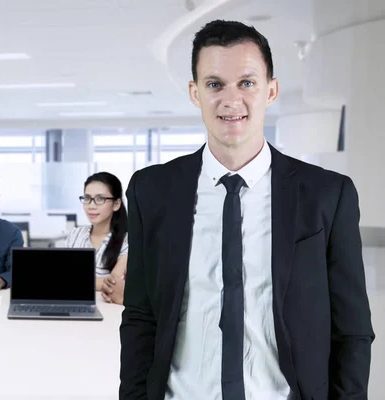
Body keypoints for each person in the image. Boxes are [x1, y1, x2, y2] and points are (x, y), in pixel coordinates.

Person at [119, 20, 374, 400]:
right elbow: (140, 316)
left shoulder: (327, 194)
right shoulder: (151, 190)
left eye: (247, 83)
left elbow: (352, 329)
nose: (231, 99)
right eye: (214, 84)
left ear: (271, 90)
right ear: (195, 92)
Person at [65, 172, 128, 304]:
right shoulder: (75, 235)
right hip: (75, 303)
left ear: (116, 204)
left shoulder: (128, 240)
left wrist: (74, 281)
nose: (91, 205)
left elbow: (112, 285)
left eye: (100, 199)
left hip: (110, 310)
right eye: (87, 198)